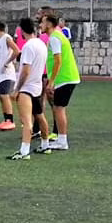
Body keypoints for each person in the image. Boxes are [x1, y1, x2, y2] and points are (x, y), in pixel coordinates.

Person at [7, 18, 52, 160]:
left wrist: (17, 89)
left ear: (22, 31)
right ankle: (45, 145)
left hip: (27, 88)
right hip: (37, 86)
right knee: (40, 116)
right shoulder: (41, 44)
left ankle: (24, 151)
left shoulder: (28, 47)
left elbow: (26, 71)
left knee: (26, 120)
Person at [42, 13, 80, 151]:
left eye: (42, 22)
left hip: (65, 78)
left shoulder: (55, 38)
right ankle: (61, 139)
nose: (40, 25)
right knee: (58, 108)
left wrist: (51, 81)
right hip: (66, 78)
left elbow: (58, 60)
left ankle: (62, 141)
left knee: (59, 108)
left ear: (49, 24)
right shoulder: (58, 36)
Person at [0, 20, 20, 131]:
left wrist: (7, 62)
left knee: (5, 96)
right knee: (1, 97)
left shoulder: (6, 38)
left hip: (7, 74)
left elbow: (16, 51)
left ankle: (10, 121)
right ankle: (6, 119)